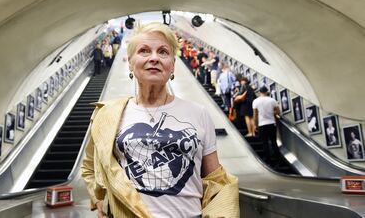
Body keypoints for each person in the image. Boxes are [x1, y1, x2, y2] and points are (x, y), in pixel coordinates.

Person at [81, 22, 238, 218]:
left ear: (172, 64)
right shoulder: (108, 115)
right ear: (130, 61)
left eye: (163, 52)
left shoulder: (199, 114)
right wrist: (99, 199)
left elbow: (215, 180)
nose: (154, 58)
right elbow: (89, 167)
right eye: (144, 51)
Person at [252, 86, 281, 162]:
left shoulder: (255, 101)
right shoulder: (272, 100)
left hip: (262, 125)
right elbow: (278, 112)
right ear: (266, 92)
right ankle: (278, 159)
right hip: (272, 124)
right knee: (274, 142)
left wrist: (255, 125)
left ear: (260, 92)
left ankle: (267, 159)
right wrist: (272, 112)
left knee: (264, 143)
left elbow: (255, 115)